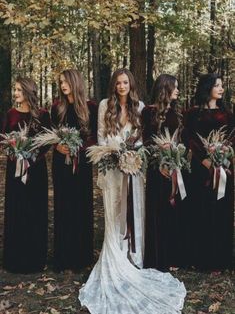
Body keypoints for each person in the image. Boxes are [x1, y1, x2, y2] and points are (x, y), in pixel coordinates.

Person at [79, 68, 186, 314]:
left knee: (134, 211)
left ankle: (134, 257)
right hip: (111, 168)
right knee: (114, 211)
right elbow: (100, 138)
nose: (122, 86)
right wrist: (114, 153)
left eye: (125, 82)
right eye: (118, 82)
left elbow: (142, 139)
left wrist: (132, 154)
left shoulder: (140, 107)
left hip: (133, 169)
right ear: (114, 86)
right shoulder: (105, 105)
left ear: (131, 84)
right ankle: (115, 257)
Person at [183, 73, 234, 271]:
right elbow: (189, 138)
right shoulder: (192, 113)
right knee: (200, 210)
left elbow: (232, 137)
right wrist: (205, 160)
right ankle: (200, 257)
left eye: (222, 85)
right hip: (200, 170)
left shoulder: (228, 114)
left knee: (221, 211)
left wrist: (222, 156)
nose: (221, 89)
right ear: (207, 88)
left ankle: (220, 258)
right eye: (217, 85)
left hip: (223, 169)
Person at [142, 74, 190, 271]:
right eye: (175, 87)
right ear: (165, 88)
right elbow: (146, 140)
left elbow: (182, 141)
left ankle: (172, 256)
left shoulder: (178, 114)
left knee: (174, 210)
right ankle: (156, 257)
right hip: (156, 169)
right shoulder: (148, 112)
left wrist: (175, 159)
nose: (178, 91)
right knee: (158, 210)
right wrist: (159, 160)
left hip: (175, 169)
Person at [51, 69, 97, 272]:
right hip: (61, 164)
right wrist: (57, 146)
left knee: (81, 205)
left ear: (75, 82)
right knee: (63, 206)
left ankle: (81, 256)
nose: (62, 85)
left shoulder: (90, 108)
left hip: (82, 165)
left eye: (66, 82)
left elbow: (95, 137)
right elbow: (50, 134)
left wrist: (79, 147)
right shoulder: (56, 108)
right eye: (60, 82)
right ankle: (63, 256)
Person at [3, 77, 50, 273]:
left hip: (36, 170)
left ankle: (35, 257)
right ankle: (15, 258)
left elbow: (47, 142)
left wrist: (31, 156)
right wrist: (15, 152)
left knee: (35, 210)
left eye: (19, 90)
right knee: (17, 209)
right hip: (15, 170)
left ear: (29, 92)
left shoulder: (43, 115)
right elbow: (4, 138)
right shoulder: (10, 114)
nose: (15, 94)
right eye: (15, 90)